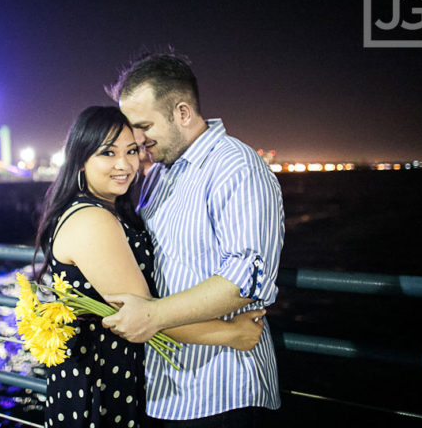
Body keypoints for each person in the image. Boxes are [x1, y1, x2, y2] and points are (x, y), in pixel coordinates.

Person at [33, 105, 267, 428]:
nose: (123, 164)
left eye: (131, 151)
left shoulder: (101, 211)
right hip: (102, 383)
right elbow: (145, 313)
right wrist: (231, 334)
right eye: (107, 153)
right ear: (81, 160)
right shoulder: (92, 221)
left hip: (106, 373)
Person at [102, 52, 285, 427]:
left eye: (144, 125)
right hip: (165, 388)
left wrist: (152, 316)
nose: (136, 139)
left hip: (223, 390)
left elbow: (246, 279)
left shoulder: (236, 166)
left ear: (182, 113)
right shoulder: (158, 175)